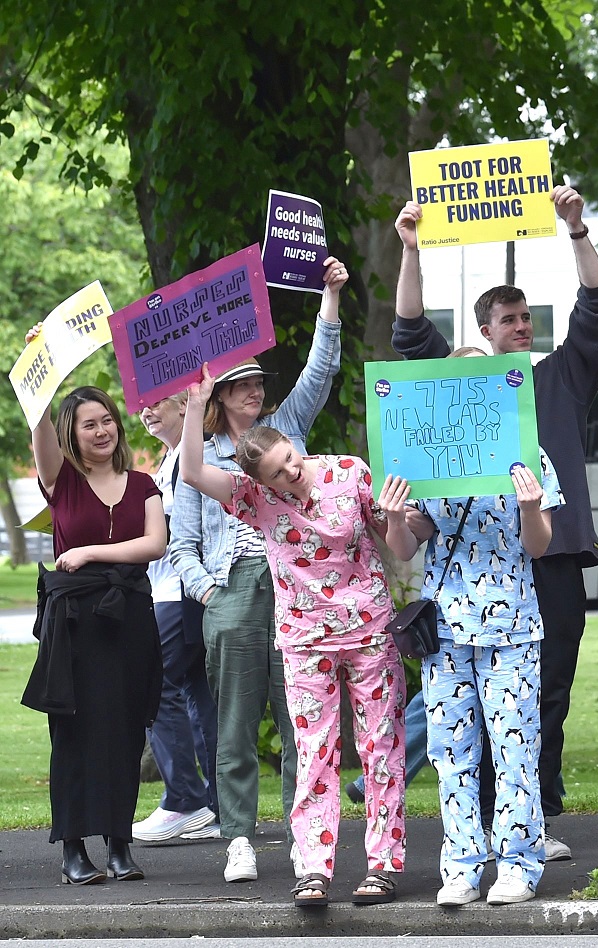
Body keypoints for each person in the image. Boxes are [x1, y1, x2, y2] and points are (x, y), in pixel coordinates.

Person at [390, 187, 598, 860]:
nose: (523, 325)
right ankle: (487, 825)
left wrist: (576, 232)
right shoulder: (460, 387)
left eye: (527, 318)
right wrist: (410, 248)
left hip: (548, 555)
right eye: (510, 318)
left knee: (546, 695)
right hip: (473, 574)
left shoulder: (561, 378)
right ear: (483, 331)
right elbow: (408, 333)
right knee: (474, 706)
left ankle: (537, 820)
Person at [180, 363, 409, 907]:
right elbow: (192, 473)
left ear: (292, 442)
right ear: (260, 486)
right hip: (305, 641)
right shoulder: (253, 500)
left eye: (292, 458)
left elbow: (401, 549)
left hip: (369, 629)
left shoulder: (349, 472)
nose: (293, 472)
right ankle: (313, 868)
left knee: (380, 747)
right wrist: (194, 406)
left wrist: (396, 517)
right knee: (314, 752)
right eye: (280, 473)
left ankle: (382, 864)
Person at [169, 256, 346, 882]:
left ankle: (308, 838)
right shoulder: (202, 453)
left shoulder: (286, 430)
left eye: (257, 382)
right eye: (241, 385)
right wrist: (211, 592)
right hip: (236, 585)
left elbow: (320, 371)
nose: (255, 390)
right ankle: (239, 838)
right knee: (236, 722)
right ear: (219, 397)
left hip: (296, 581)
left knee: (304, 717)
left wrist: (328, 298)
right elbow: (181, 542)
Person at [384, 350, 563, 907]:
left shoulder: (527, 454)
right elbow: (406, 546)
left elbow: (539, 546)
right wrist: (394, 515)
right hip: (447, 629)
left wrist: (530, 505)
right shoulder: (424, 459)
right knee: (450, 749)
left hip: (511, 623)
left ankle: (518, 865)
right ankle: (461, 865)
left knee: (514, 747)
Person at [22, 381, 165, 885]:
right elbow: (39, 428)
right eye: (89, 423)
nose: (101, 430)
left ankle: (119, 845)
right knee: (75, 734)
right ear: (72, 433)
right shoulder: (60, 479)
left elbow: (154, 545)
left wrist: (89, 554)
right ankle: (73, 852)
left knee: (125, 732)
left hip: (128, 620)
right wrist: (40, 372)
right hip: (75, 626)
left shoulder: (144, 484)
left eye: (106, 419)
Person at [132, 392, 220, 844]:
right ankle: (216, 804)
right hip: (170, 590)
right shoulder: (170, 458)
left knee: (159, 685)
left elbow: (185, 526)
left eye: (156, 402)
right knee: (196, 690)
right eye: (142, 405)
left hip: (178, 589)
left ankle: (185, 798)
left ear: (186, 405)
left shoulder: (192, 454)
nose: (146, 410)